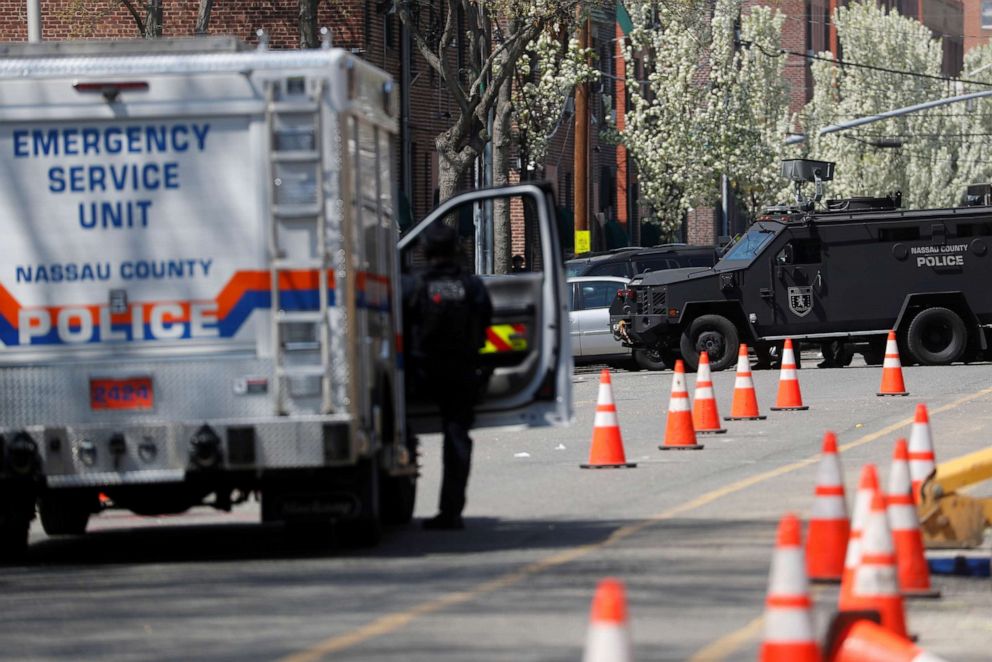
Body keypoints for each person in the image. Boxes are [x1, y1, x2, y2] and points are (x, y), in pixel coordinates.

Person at [403, 223, 493, 530]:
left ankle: (399, 494)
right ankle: (451, 511)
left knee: (399, 431)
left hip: (421, 374)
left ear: (426, 251)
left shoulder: (414, 285)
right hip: (462, 371)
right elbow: (486, 323)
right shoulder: (471, 286)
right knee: (456, 439)